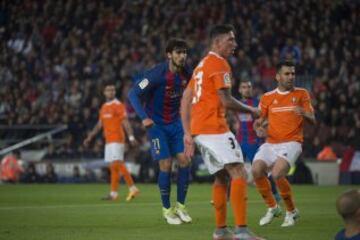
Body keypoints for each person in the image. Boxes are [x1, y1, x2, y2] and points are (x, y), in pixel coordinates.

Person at [181, 24, 263, 240]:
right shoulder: (219, 63)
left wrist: (187, 132)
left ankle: (220, 231)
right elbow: (225, 101)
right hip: (214, 128)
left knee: (221, 177)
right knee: (239, 172)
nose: (234, 45)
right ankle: (242, 231)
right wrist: (251, 110)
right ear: (217, 42)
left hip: (200, 130)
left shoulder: (201, 66)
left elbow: (186, 98)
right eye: (230, 40)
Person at [128, 38, 192, 225]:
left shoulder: (187, 73)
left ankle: (181, 206)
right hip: (157, 126)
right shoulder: (156, 74)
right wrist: (143, 117)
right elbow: (133, 94)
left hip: (176, 124)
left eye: (184, 52)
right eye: (178, 52)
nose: (182, 56)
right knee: (165, 164)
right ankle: (167, 210)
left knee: (184, 161)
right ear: (169, 55)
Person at [251, 60, 316, 227]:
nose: (291, 77)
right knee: (256, 170)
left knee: (277, 173)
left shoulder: (302, 94)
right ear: (278, 77)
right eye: (287, 74)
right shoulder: (267, 97)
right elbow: (258, 122)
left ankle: (292, 211)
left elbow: (313, 119)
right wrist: (258, 128)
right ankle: (273, 207)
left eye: (293, 73)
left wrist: (303, 112)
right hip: (271, 143)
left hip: (292, 142)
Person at [84, 81, 139, 201]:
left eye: (113, 90)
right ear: (104, 92)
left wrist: (131, 137)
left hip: (117, 139)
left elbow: (125, 122)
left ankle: (133, 188)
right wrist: (90, 137)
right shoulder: (104, 107)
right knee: (112, 166)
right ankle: (113, 194)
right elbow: (99, 125)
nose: (111, 92)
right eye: (109, 90)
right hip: (108, 141)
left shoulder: (118, 105)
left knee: (117, 162)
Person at [235, 80, 280, 201]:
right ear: (239, 90)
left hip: (253, 142)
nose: (247, 89)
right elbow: (236, 120)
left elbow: (269, 118)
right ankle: (230, 197)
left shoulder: (257, 103)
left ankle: (274, 194)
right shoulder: (237, 104)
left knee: (261, 170)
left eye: (248, 87)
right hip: (240, 142)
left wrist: (262, 127)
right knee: (234, 170)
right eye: (244, 87)